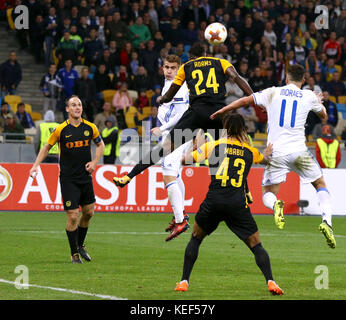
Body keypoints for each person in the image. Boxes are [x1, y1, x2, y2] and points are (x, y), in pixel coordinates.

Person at [211, 64, 336, 249]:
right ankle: (327, 222)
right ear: (303, 81)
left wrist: (224, 110)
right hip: (299, 152)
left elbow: (246, 101)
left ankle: (277, 205)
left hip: (275, 152)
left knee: (268, 193)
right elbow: (324, 116)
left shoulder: (273, 92)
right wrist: (318, 102)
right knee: (320, 184)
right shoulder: (308, 95)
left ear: (286, 78)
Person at [113, 42, 254, 189]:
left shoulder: (187, 67)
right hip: (218, 113)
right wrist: (254, 98)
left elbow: (170, 93)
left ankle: (129, 176)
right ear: (205, 54)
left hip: (196, 113)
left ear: (191, 57)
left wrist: (161, 99)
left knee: (163, 148)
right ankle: (245, 189)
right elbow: (236, 78)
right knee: (233, 150)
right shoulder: (221, 62)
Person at [174, 113, 283, 295]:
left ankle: (184, 281)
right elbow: (264, 160)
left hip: (214, 201)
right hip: (236, 204)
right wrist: (266, 154)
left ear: (225, 128)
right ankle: (271, 281)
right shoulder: (249, 150)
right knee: (256, 245)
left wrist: (193, 148)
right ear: (243, 130)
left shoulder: (213, 146)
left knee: (195, 238)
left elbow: (184, 161)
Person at [29, 96, 105, 263]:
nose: (77, 107)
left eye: (79, 104)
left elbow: (101, 145)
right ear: (67, 109)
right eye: (73, 105)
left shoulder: (90, 127)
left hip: (85, 177)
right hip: (68, 178)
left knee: (89, 213)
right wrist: (35, 165)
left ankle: (80, 244)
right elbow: (46, 147)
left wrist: (94, 162)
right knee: (72, 215)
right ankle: (74, 254)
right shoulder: (60, 130)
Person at [149, 54, 190, 241]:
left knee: (168, 175)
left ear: (179, 68)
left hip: (176, 133)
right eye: (166, 67)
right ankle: (181, 214)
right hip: (175, 133)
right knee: (175, 173)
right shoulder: (169, 84)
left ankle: (181, 220)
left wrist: (162, 128)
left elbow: (181, 114)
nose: (169, 71)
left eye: (173, 68)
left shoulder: (180, 86)